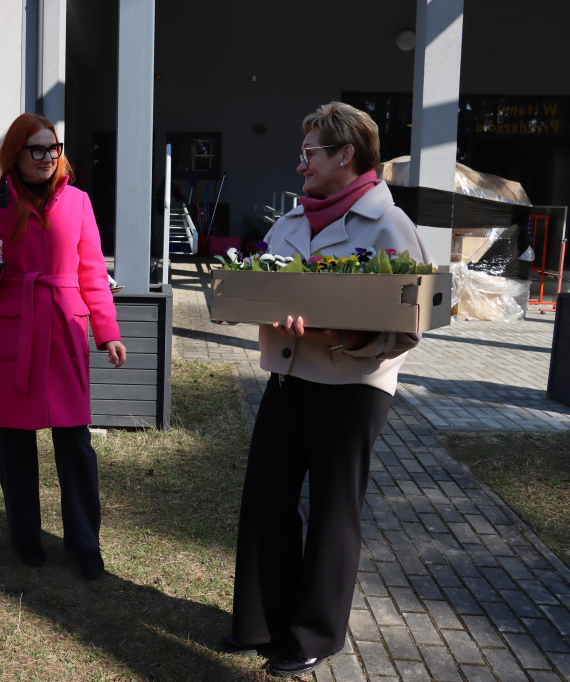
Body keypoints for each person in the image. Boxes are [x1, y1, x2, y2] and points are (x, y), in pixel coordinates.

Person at [224, 102, 433, 676]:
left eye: (310, 153)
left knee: (333, 512)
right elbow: (260, 285)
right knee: (266, 500)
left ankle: (313, 635)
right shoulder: (291, 223)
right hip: (287, 379)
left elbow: (411, 323)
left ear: (346, 154)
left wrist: (339, 333)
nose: (300, 165)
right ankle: (262, 621)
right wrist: (241, 299)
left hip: (353, 388)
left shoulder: (391, 224)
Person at [0, 113, 127, 580]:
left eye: (53, 148)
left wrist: (108, 331)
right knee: (13, 443)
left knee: (75, 444)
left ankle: (85, 543)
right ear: (15, 154)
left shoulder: (78, 201)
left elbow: (92, 271)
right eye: (36, 149)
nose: (47, 157)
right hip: (12, 327)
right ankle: (25, 538)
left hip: (62, 328)